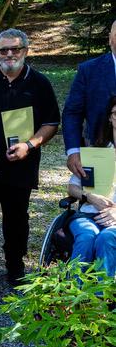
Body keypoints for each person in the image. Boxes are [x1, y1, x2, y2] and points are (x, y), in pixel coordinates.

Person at [0, 29, 60, 285]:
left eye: (15, 49)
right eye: (4, 50)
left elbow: (50, 123)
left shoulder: (40, 83)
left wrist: (30, 144)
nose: (9, 54)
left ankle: (15, 265)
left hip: (22, 162)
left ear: (26, 50)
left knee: (17, 217)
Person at [65, 95, 116, 277]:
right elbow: (72, 188)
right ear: (110, 118)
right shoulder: (96, 152)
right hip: (88, 214)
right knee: (87, 236)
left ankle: (102, 300)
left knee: (106, 237)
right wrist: (89, 197)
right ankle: (73, 296)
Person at [63, 20, 116, 181]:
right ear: (110, 38)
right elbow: (72, 113)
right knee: (97, 202)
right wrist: (73, 151)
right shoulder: (89, 70)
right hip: (98, 153)